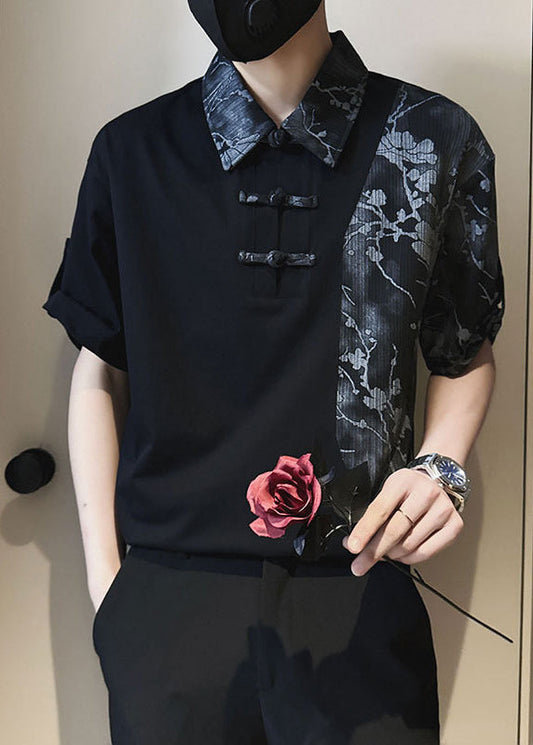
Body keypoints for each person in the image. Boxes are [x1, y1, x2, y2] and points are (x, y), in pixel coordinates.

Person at [41, 1, 505, 743]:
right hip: (167, 599)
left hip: (359, 589)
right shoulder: (132, 153)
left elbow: (465, 346)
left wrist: (440, 467)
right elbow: (101, 366)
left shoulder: (431, 137)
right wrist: (110, 591)